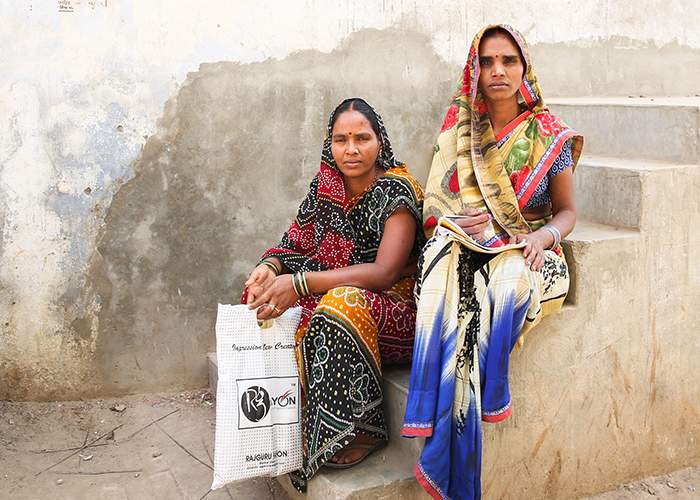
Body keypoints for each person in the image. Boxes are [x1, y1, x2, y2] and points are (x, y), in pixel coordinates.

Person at [401, 24, 583, 500]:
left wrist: (543, 235)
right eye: (486, 62)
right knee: (442, 284)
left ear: (524, 68)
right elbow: (435, 204)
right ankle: (429, 403)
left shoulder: (547, 135)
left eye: (508, 61)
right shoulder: (459, 127)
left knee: (503, 290)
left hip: (526, 246)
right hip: (465, 246)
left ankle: (488, 386)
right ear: (474, 70)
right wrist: (455, 219)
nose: (497, 71)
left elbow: (566, 213)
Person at [242, 98, 424, 492]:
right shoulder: (327, 185)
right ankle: (287, 417)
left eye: (362, 138)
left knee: (338, 304)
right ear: (330, 144)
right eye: (341, 139)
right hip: (334, 288)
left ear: (380, 141)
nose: (351, 149)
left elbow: (384, 272)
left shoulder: (397, 192)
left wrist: (302, 283)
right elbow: (298, 239)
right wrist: (271, 267)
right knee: (261, 297)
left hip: (395, 309)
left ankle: (361, 429)